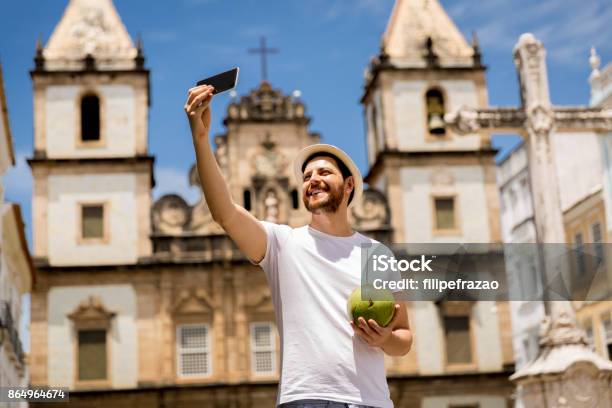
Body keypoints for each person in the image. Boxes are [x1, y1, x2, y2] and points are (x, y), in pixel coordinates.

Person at [185, 85, 412, 408]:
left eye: (324, 172)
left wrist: (386, 338)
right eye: (306, 176)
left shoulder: (377, 254)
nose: (312, 179)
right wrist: (200, 139)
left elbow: (404, 338)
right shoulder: (283, 244)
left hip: (371, 401)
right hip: (306, 399)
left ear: (348, 185)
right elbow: (225, 213)